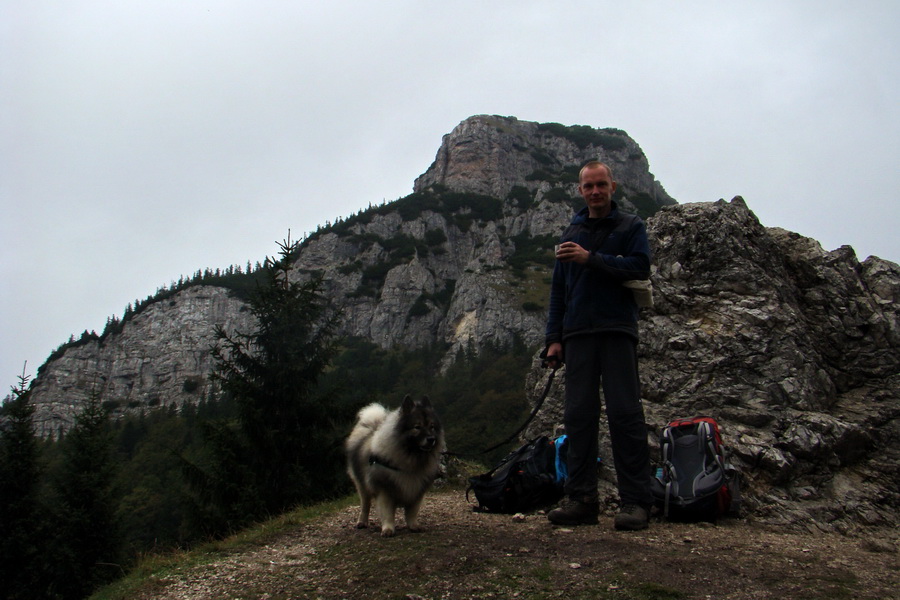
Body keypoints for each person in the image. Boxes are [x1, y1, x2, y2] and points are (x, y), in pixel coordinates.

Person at [543, 160, 653, 531]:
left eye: (601, 185)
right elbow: (559, 289)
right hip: (577, 336)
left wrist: (591, 259)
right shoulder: (571, 230)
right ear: (580, 190)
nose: (595, 192)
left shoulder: (631, 226)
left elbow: (640, 267)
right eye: (588, 186)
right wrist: (553, 339)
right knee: (578, 417)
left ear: (613, 187)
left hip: (617, 329)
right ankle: (581, 500)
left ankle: (636, 502)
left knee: (625, 416)